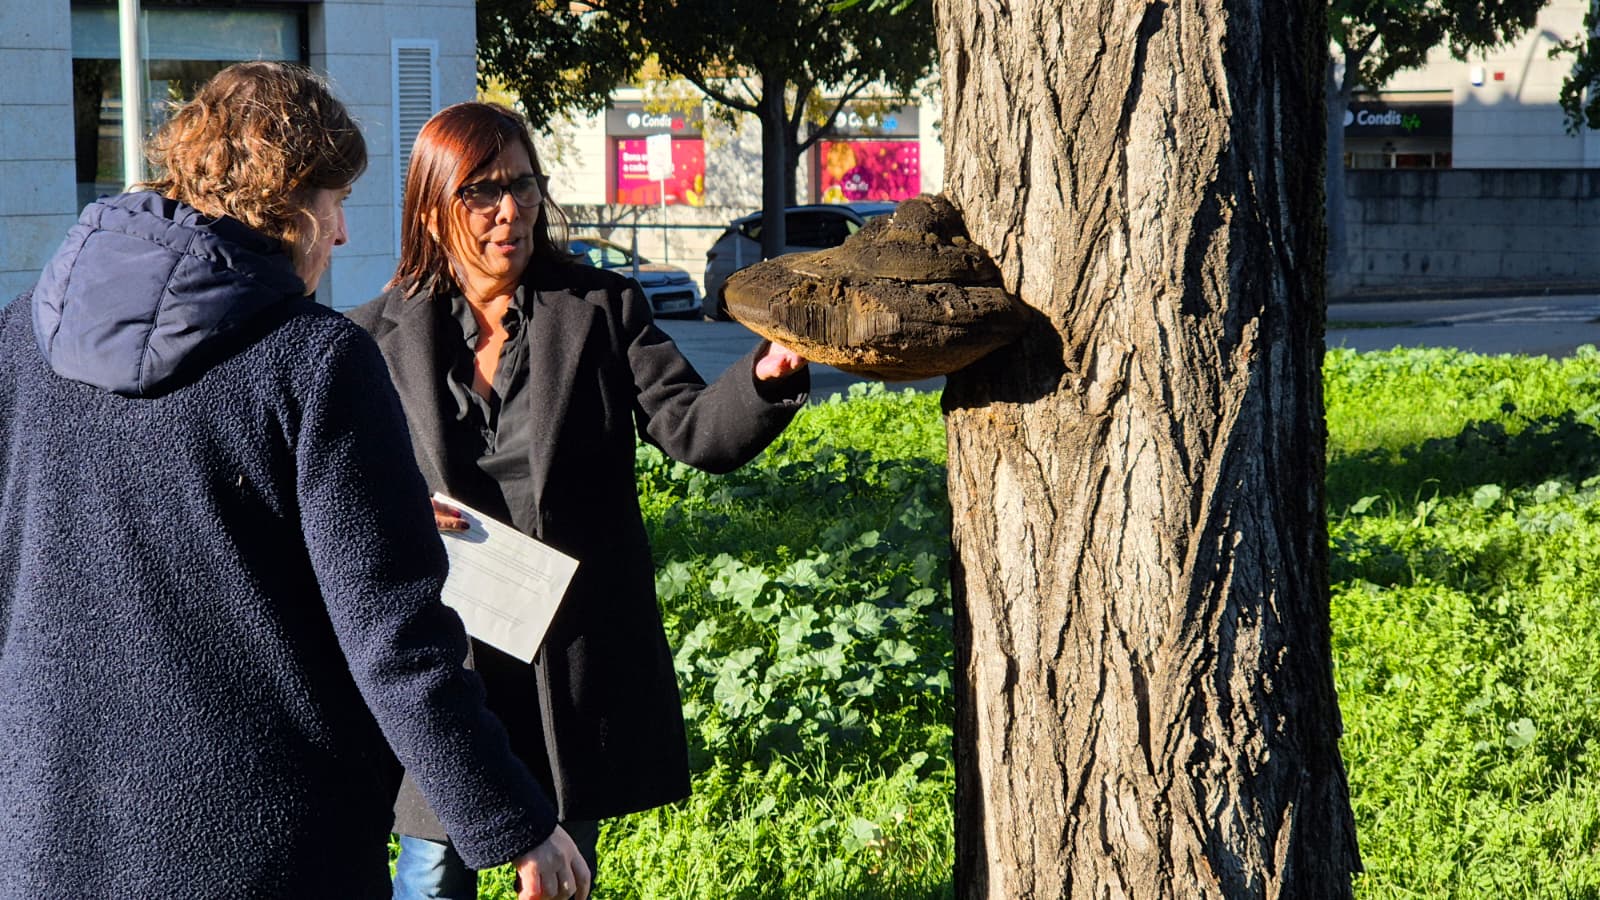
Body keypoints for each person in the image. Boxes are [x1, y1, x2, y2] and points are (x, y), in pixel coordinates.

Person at [0, 63, 588, 900]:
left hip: (46, 837)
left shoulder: (22, 338)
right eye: (336, 202)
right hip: (262, 844)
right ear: (288, 204)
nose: (343, 234)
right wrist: (513, 822)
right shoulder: (316, 362)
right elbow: (394, 633)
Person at [350, 101, 810, 897]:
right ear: (432, 205)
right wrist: (399, 507)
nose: (512, 210)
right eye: (483, 192)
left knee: (559, 879)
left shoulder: (601, 308)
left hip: (566, 657)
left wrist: (765, 381)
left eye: (525, 185)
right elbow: (341, 492)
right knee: (431, 876)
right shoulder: (371, 337)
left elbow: (694, 432)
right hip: (445, 659)